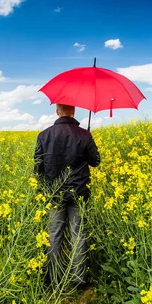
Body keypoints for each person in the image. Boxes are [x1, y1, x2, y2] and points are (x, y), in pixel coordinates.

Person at [33, 103, 101, 287]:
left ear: (57, 111)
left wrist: (46, 189)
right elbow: (95, 162)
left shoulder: (43, 135)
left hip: (54, 194)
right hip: (78, 193)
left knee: (54, 235)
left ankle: (53, 279)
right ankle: (78, 279)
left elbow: (37, 168)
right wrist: (89, 141)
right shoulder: (84, 135)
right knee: (78, 234)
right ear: (73, 111)